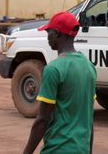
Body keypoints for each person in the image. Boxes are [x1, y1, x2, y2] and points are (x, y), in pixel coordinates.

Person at [23, 11, 96, 154]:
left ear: (57, 33)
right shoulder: (89, 67)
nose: (47, 37)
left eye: (48, 32)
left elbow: (42, 120)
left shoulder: (53, 69)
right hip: (82, 149)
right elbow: (88, 119)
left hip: (58, 149)